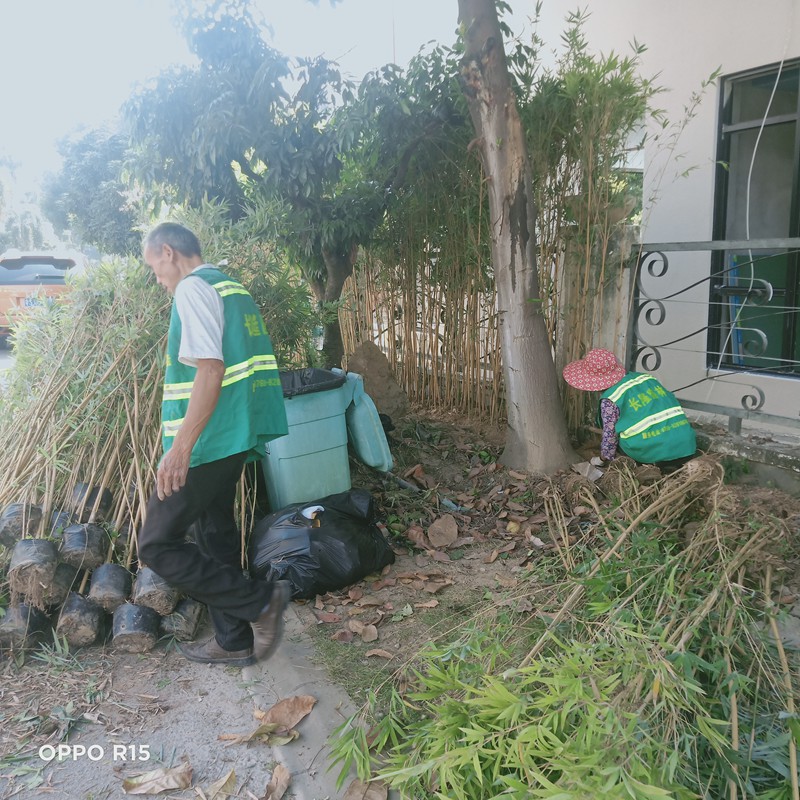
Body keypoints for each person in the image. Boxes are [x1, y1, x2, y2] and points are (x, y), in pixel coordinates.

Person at [138, 222, 290, 666]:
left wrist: (181, 448)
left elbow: (210, 370)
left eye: (154, 267)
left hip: (209, 439)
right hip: (234, 433)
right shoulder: (231, 287)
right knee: (213, 531)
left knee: (156, 543)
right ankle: (233, 640)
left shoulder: (193, 288)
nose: (157, 278)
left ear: (168, 252)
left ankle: (261, 602)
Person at [562, 348, 697, 468]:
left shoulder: (610, 400)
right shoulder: (646, 378)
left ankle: (642, 466)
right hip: (687, 446)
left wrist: (601, 459)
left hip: (653, 455)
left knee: (620, 441)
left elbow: (610, 437)